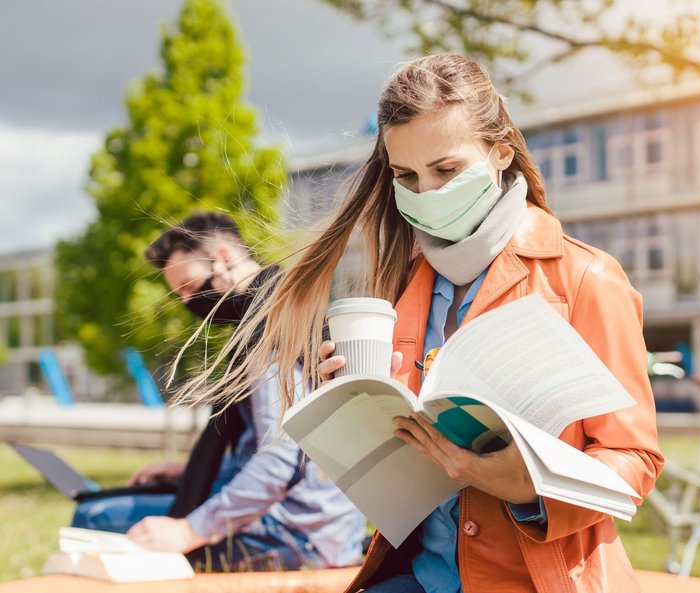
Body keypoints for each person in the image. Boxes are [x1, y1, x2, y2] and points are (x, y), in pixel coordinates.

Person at [187, 55, 663, 592]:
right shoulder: (399, 285)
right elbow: (403, 445)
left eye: (446, 170)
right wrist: (348, 405)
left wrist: (532, 490)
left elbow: (635, 459)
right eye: (405, 176)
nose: (426, 193)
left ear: (500, 151)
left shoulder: (586, 279)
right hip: (420, 576)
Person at [79, 212, 366, 573]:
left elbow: (279, 464)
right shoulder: (285, 309)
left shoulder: (267, 333)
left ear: (225, 257)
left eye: (188, 285)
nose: (187, 302)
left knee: (95, 516)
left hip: (296, 536)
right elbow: (282, 452)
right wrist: (187, 473)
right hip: (319, 526)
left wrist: (188, 530)